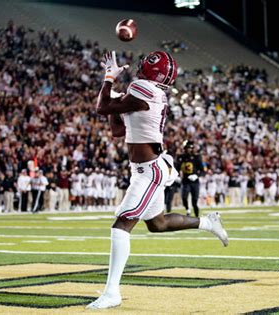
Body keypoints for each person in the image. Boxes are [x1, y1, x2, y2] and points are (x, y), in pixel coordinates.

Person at [87, 51, 228, 309]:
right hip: (148, 167)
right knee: (158, 224)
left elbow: (101, 106)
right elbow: (118, 130)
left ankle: (112, 292)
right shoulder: (147, 92)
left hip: (149, 170)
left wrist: (109, 78)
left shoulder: (142, 88)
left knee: (121, 226)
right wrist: (116, 103)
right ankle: (207, 222)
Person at [176, 140, 204, 217]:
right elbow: (177, 168)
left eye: (190, 148)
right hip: (185, 181)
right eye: (187, 148)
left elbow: (202, 171)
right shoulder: (181, 157)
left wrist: (196, 176)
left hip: (195, 182)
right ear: (185, 148)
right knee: (184, 197)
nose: (189, 149)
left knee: (194, 201)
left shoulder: (196, 157)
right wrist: (176, 176)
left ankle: (197, 216)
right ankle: (188, 209)